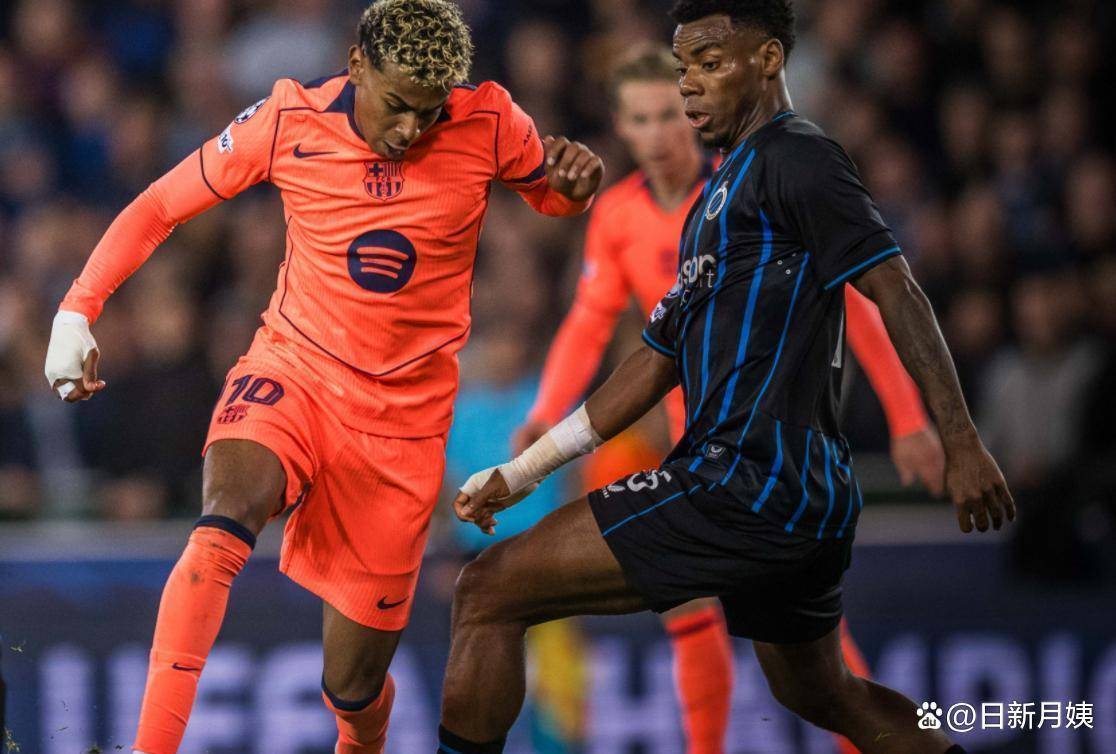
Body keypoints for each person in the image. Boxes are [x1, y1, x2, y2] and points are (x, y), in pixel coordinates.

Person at [438, 2, 1014, 753]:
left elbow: (895, 291)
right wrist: (523, 472)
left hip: (746, 481)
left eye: (710, 64)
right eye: (684, 69)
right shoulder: (717, 198)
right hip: (794, 492)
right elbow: (656, 360)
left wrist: (958, 440)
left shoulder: (798, 157)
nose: (690, 85)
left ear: (769, 60)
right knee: (822, 692)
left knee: (488, 589)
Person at [41, 2, 604, 752]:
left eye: (429, 113)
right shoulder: (287, 119)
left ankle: (361, 736)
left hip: (402, 428)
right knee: (223, 520)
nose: (410, 130)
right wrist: (76, 310)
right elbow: (160, 205)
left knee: (352, 687)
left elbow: (551, 196)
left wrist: (575, 187)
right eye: (397, 105)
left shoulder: (492, 120)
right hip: (295, 372)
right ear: (357, 64)